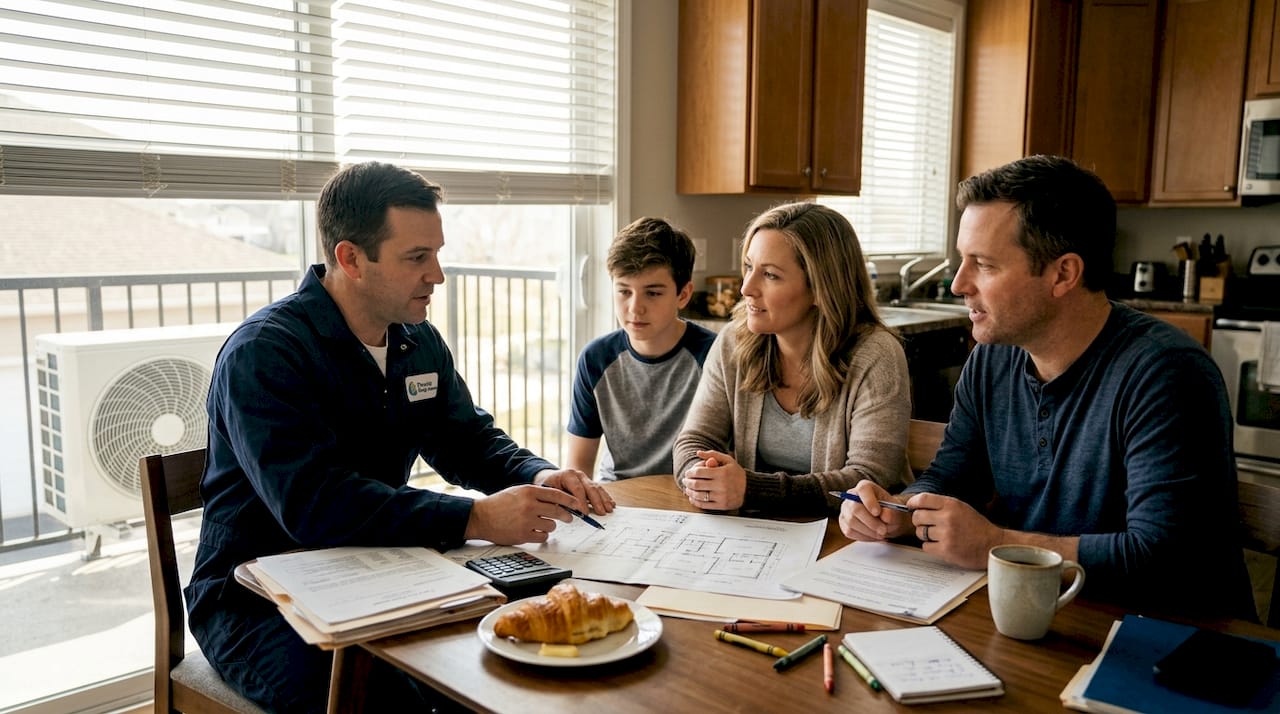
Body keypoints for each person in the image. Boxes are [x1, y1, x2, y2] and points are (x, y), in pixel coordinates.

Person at [187, 161, 614, 712]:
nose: (437, 275)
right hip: (255, 598)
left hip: (380, 569)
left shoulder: (416, 340)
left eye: (436, 253)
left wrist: (536, 474)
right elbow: (316, 503)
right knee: (388, 699)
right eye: (417, 257)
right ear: (350, 258)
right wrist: (475, 518)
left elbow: (466, 439)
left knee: (509, 656)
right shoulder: (265, 354)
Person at [838, 155, 1253, 620]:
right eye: (961, 260)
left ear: (1063, 274)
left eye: (984, 265)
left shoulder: (1167, 373)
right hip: (1045, 613)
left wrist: (995, 543)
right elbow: (955, 478)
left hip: (1176, 643)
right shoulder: (992, 358)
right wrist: (902, 510)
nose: (958, 284)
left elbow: (1163, 558)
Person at [673, 202, 913, 515]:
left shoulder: (876, 355)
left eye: (770, 275)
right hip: (760, 533)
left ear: (820, 289)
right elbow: (693, 440)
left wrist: (751, 489)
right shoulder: (734, 341)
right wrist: (703, 477)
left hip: (851, 541)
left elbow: (870, 478)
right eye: (748, 267)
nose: (747, 288)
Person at [566, 217, 717, 480]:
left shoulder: (713, 356)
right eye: (624, 292)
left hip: (691, 499)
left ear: (683, 294)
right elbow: (578, 467)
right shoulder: (596, 358)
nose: (635, 308)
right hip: (616, 501)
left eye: (653, 293)